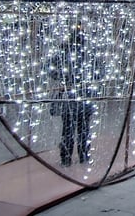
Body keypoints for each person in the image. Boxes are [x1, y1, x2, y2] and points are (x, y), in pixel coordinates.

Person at [52, 25, 94, 166]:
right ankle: (84, 156)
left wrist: (64, 78)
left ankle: (66, 159)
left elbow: (51, 70)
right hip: (83, 98)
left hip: (69, 98)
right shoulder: (88, 53)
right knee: (83, 130)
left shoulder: (63, 53)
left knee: (68, 130)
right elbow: (99, 72)